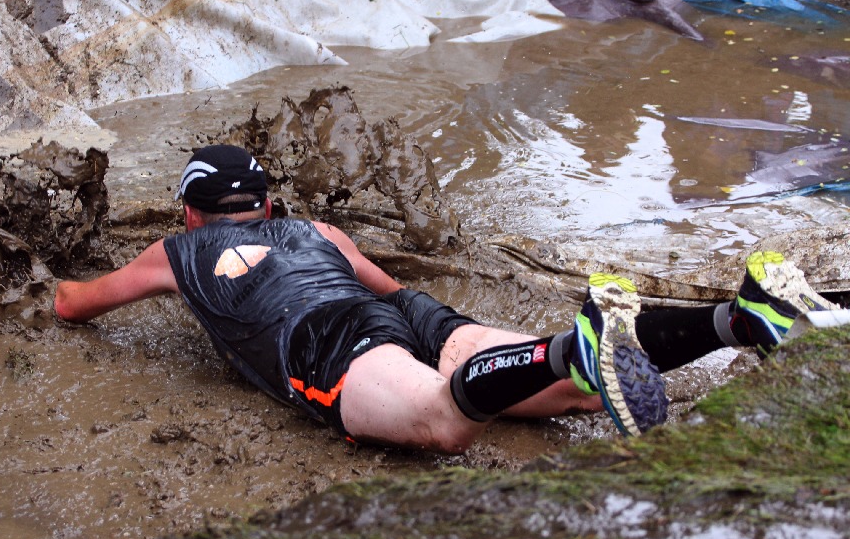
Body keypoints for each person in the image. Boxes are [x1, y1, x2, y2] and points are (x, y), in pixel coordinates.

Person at [54, 145, 839, 453]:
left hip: (325, 343)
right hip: (399, 313)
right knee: (572, 397)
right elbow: (397, 293)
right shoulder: (319, 231)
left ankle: (576, 343)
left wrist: (43, 278)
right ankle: (739, 319)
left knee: (441, 419)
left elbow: (74, 305)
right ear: (268, 205)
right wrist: (444, 326)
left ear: (190, 212)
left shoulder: (178, 250)